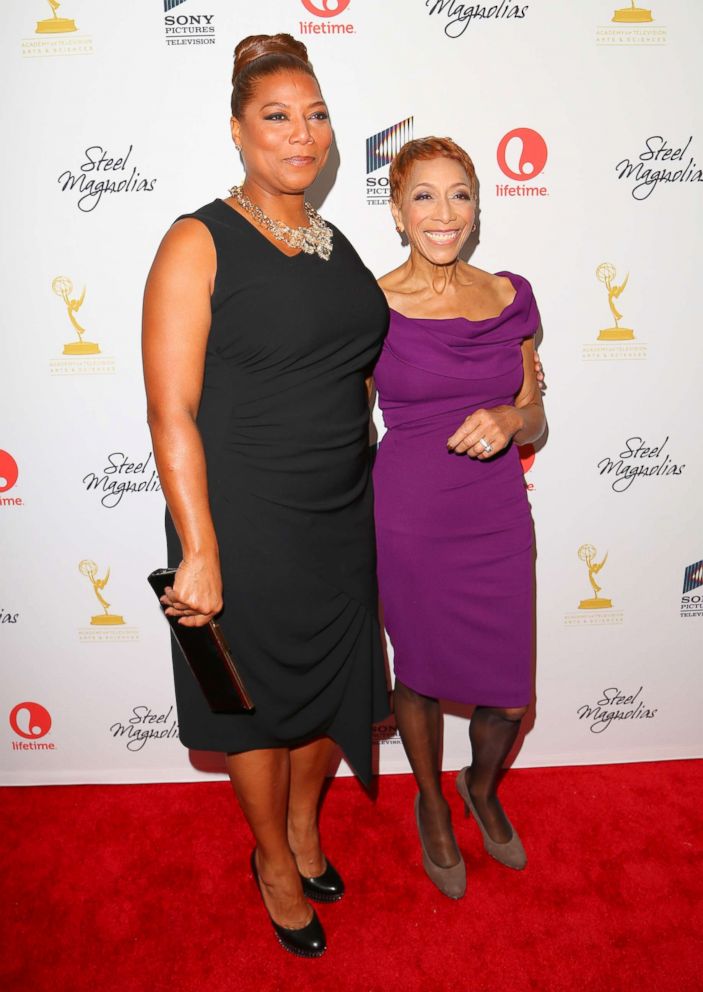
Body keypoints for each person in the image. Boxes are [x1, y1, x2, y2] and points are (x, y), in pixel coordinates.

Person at [142, 34, 389, 956]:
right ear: (238, 130)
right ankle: (273, 864)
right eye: (277, 117)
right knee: (251, 699)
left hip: (339, 505)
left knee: (333, 687)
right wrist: (199, 549)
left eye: (316, 114)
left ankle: (302, 826)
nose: (302, 134)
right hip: (242, 511)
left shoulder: (334, 240)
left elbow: (356, 367)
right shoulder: (197, 239)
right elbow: (170, 409)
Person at [372, 137, 546, 899]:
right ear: (397, 209)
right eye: (423, 196)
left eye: (460, 195)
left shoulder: (514, 297)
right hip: (408, 513)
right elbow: (346, 426)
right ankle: (431, 801)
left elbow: (535, 418)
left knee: (508, 695)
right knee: (415, 674)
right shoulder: (366, 305)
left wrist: (510, 418)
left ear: (477, 207)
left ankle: (481, 787)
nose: (443, 214)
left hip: (495, 513)